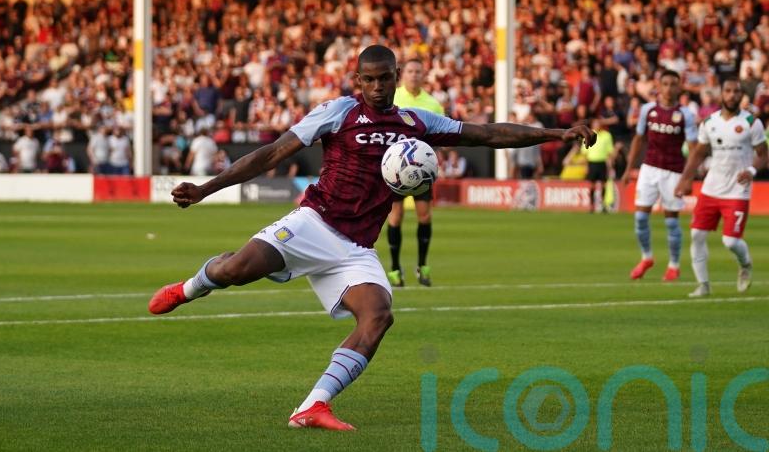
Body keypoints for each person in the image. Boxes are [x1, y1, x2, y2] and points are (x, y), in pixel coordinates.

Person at [148, 45, 595, 432]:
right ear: (358, 80)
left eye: (385, 78)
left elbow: (486, 134)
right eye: (370, 80)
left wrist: (556, 133)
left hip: (356, 249)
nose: (378, 87)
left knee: (379, 316)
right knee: (234, 270)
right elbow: (273, 153)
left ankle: (312, 406)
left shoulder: (416, 122)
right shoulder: (338, 112)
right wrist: (206, 189)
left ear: (397, 78)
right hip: (313, 224)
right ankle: (189, 288)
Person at [674, 78, 768, 297]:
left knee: (731, 241)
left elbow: (764, 154)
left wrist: (751, 171)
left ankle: (745, 264)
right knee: (697, 235)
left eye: (736, 91)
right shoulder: (709, 122)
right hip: (711, 188)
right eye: (728, 91)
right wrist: (685, 179)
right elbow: (698, 153)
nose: (732, 95)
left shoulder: (751, 122)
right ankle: (703, 285)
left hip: (738, 189)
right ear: (721, 94)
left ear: (741, 95)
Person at [622, 70, 698, 281]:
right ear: (659, 86)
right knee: (640, 218)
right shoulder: (648, 110)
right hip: (649, 168)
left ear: (679, 87)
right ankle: (646, 257)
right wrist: (628, 169)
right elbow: (638, 139)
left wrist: (688, 178)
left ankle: (674, 265)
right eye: (665, 84)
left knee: (671, 222)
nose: (669, 88)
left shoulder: (685, 114)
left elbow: (693, 149)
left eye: (673, 84)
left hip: (673, 171)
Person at [386, 59, 445, 288]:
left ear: (423, 74)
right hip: (395, 168)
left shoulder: (432, 104)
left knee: (425, 216)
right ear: (402, 74)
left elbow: (441, 133)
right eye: (410, 71)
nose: (414, 75)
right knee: (395, 217)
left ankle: (422, 266)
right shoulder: (393, 98)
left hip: (421, 169)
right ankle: (394, 268)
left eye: (418, 71)